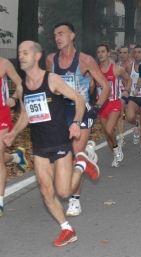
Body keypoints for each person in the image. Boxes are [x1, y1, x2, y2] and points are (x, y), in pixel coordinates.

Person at [4, 41, 99, 246]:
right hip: (39, 147)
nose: (21, 56)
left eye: (25, 52)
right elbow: (25, 115)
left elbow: (79, 99)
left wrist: (75, 122)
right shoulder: (22, 87)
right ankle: (67, 229)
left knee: (64, 192)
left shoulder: (52, 79)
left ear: (37, 56)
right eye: (19, 53)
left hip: (60, 143)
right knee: (46, 190)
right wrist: (13, 133)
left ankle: (82, 163)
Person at [46, 21, 111, 217]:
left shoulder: (85, 60)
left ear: (72, 36)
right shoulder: (51, 60)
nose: (57, 38)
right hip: (59, 112)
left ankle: (75, 201)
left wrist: (95, 109)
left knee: (74, 155)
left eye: (61, 33)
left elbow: (106, 87)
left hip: (80, 111)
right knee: (58, 158)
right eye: (55, 34)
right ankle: (88, 155)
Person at [0, 57, 28, 217]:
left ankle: (0, 202)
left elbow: (21, 83)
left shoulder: (3, 63)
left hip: (2, 116)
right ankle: (16, 157)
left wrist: (15, 98)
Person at [96, 44, 132, 167]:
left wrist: (126, 91)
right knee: (107, 135)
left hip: (114, 103)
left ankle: (117, 149)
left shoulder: (116, 69)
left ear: (108, 54)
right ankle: (116, 152)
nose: (100, 54)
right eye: (98, 52)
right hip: (101, 105)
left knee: (109, 129)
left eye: (103, 51)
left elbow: (129, 79)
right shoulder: (95, 70)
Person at [126, 45, 141, 153]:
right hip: (133, 96)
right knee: (129, 117)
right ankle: (136, 124)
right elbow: (125, 79)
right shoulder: (130, 66)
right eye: (135, 52)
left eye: (139, 52)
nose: (137, 54)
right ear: (133, 54)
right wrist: (127, 89)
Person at [116, 45, 132, 148]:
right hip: (121, 93)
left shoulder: (133, 65)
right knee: (119, 114)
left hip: (132, 93)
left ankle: (136, 125)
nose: (122, 55)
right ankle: (121, 137)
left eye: (125, 52)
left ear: (129, 54)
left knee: (131, 117)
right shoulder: (117, 66)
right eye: (121, 53)